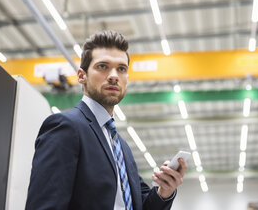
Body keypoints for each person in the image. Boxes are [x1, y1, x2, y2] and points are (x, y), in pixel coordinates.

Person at [26, 30, 187, 210]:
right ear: (81, 76)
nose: (113, 75)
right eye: (103, 66)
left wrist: (164, 191)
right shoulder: (65, 127)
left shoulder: (121, 147)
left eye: (121, 69)